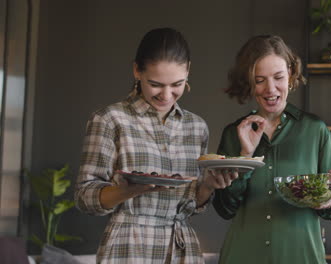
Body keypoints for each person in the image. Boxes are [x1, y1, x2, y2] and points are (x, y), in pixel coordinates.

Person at [74, 27, 233, 264]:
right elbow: (84, 196)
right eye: (156, 84)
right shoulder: (110, 120)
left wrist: (208, 186)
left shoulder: (196, 127)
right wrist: (127, 191)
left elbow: (193, 204)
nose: (167, 95)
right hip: (128, 247)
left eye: (177, 84)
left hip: (182, 249)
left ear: (188, 70)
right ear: (137, 70)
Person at [212, 35, 331, 264]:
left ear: (290, 74)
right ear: (249, 82)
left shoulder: (315, 130)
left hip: (302, 256)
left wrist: (328, 200)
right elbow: (225, 209)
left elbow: (330, 210)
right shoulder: (233, 134)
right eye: (259, 80)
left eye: (278, 77)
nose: (270, 89)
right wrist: (245, 157)